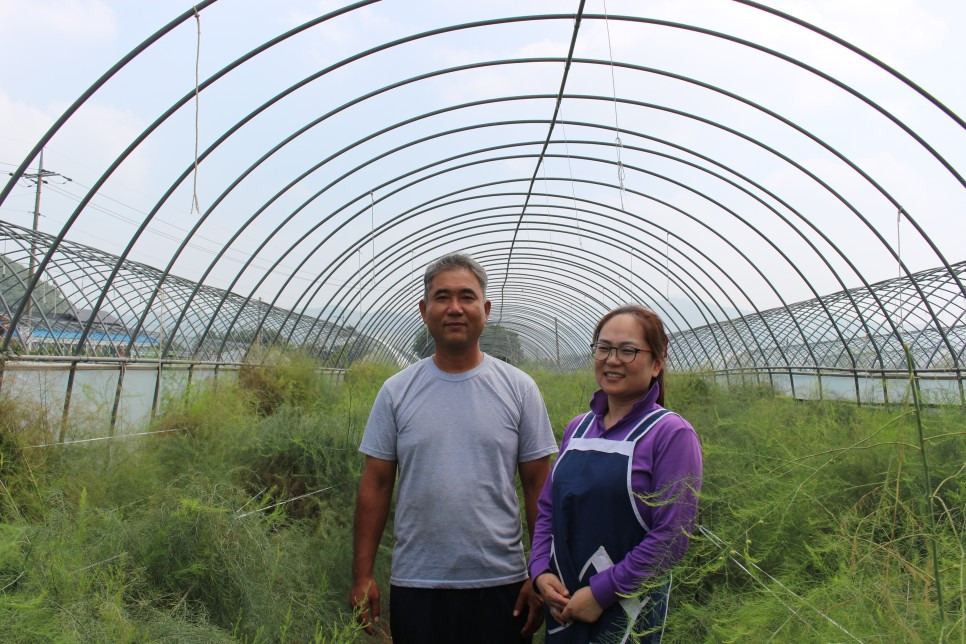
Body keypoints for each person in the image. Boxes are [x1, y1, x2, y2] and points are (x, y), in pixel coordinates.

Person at [350, 252, 558, 643]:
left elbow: (538, 487)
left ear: (487, 309)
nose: (455, 308)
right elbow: (375, 485)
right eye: (442, 297)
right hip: (418, 583)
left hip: (503, 582)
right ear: (424, 310)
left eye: (467, 296)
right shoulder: (396, 391)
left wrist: (540, 570)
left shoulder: (519, 388)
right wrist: (363, 576)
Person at [528, 305, 702, 643]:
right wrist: (539, 571)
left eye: (628, 350)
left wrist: (601, 593)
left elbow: (672, 538)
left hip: (627, 609)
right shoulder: (579, 428)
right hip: (563, 603)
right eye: (604, 348)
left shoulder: (670, 434)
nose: (612, 359)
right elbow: (548, 508)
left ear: (657, 362)